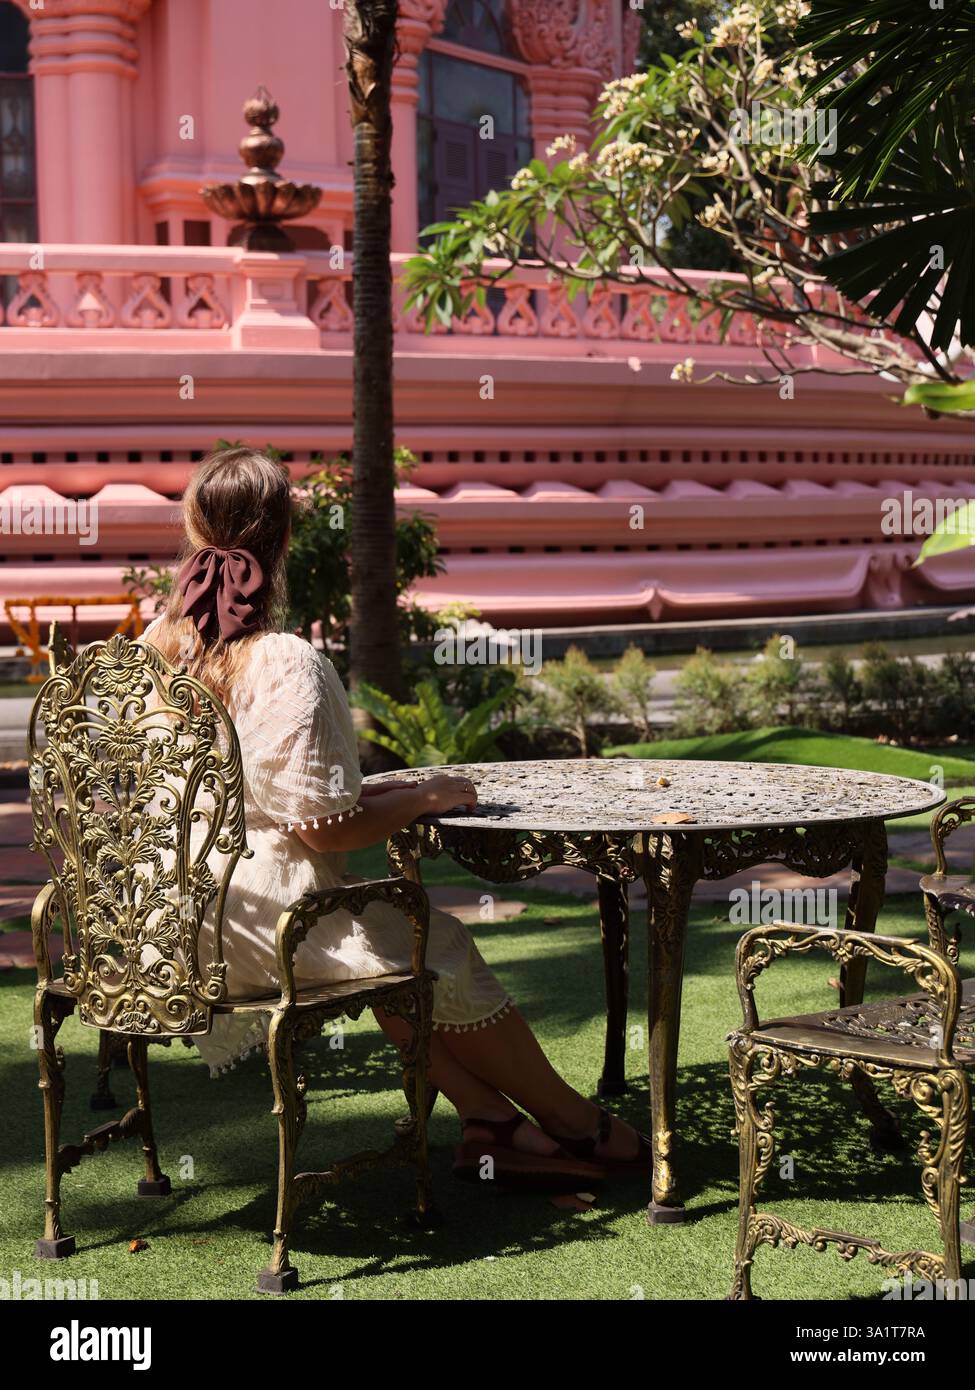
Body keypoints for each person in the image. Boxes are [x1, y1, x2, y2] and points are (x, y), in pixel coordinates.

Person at [145, 446, 649, 1189]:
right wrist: (418, 798)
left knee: (381, 948)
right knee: (431, 944)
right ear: (282, 540)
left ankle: (491, 1121)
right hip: (259, 920)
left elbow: (268, 800)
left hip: (166, 914)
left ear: (191, 528)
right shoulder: (284, 660)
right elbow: (322, 830)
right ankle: (574, 1121)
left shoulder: (154, 645)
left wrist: (406, 791)